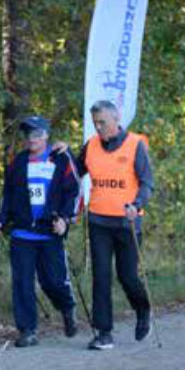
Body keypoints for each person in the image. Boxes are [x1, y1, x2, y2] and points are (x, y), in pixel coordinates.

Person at [0, 116, 79, 347]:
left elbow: (74, 191)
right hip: (22, 233)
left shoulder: (60, 158)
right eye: (28, 135)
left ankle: (67, 308)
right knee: (22, 282)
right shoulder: (18, 162)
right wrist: (0, 221)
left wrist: (65, 220)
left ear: (46, 135)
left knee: (54, 282)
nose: (32, 139)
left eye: (36, 134)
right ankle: (27, 330)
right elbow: (7, 194)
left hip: (50, 231)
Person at [77, 100, 154, 351]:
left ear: (116, 119)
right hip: (99, 221)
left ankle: (143, 310)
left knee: (128, 276)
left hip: (127, 222)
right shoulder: (91, 146)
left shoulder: (135, 145)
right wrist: (62, 153)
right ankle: (103, 333)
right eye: (95, 123)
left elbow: (146, 183)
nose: (99, 128)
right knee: (101, 276)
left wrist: (137, 203)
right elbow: (73, 171)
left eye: (103, 122)